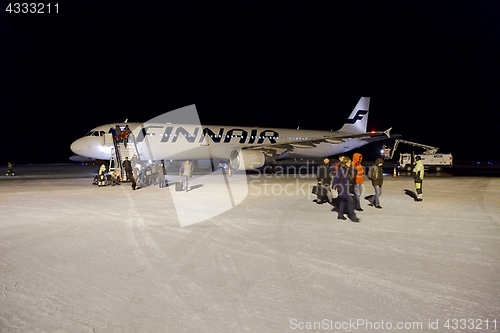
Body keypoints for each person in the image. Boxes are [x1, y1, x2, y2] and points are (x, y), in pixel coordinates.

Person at [332, 157, 359, 222]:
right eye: (349, 162)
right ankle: (352, 217)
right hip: (342, 188)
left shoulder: (346, 169)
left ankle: (340, 215)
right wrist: (334, 186)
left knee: (342, 201)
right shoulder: (341, 169)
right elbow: (336, 178)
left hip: (345, 187)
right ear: (345, 163)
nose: (350, 163)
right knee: (350, 201)